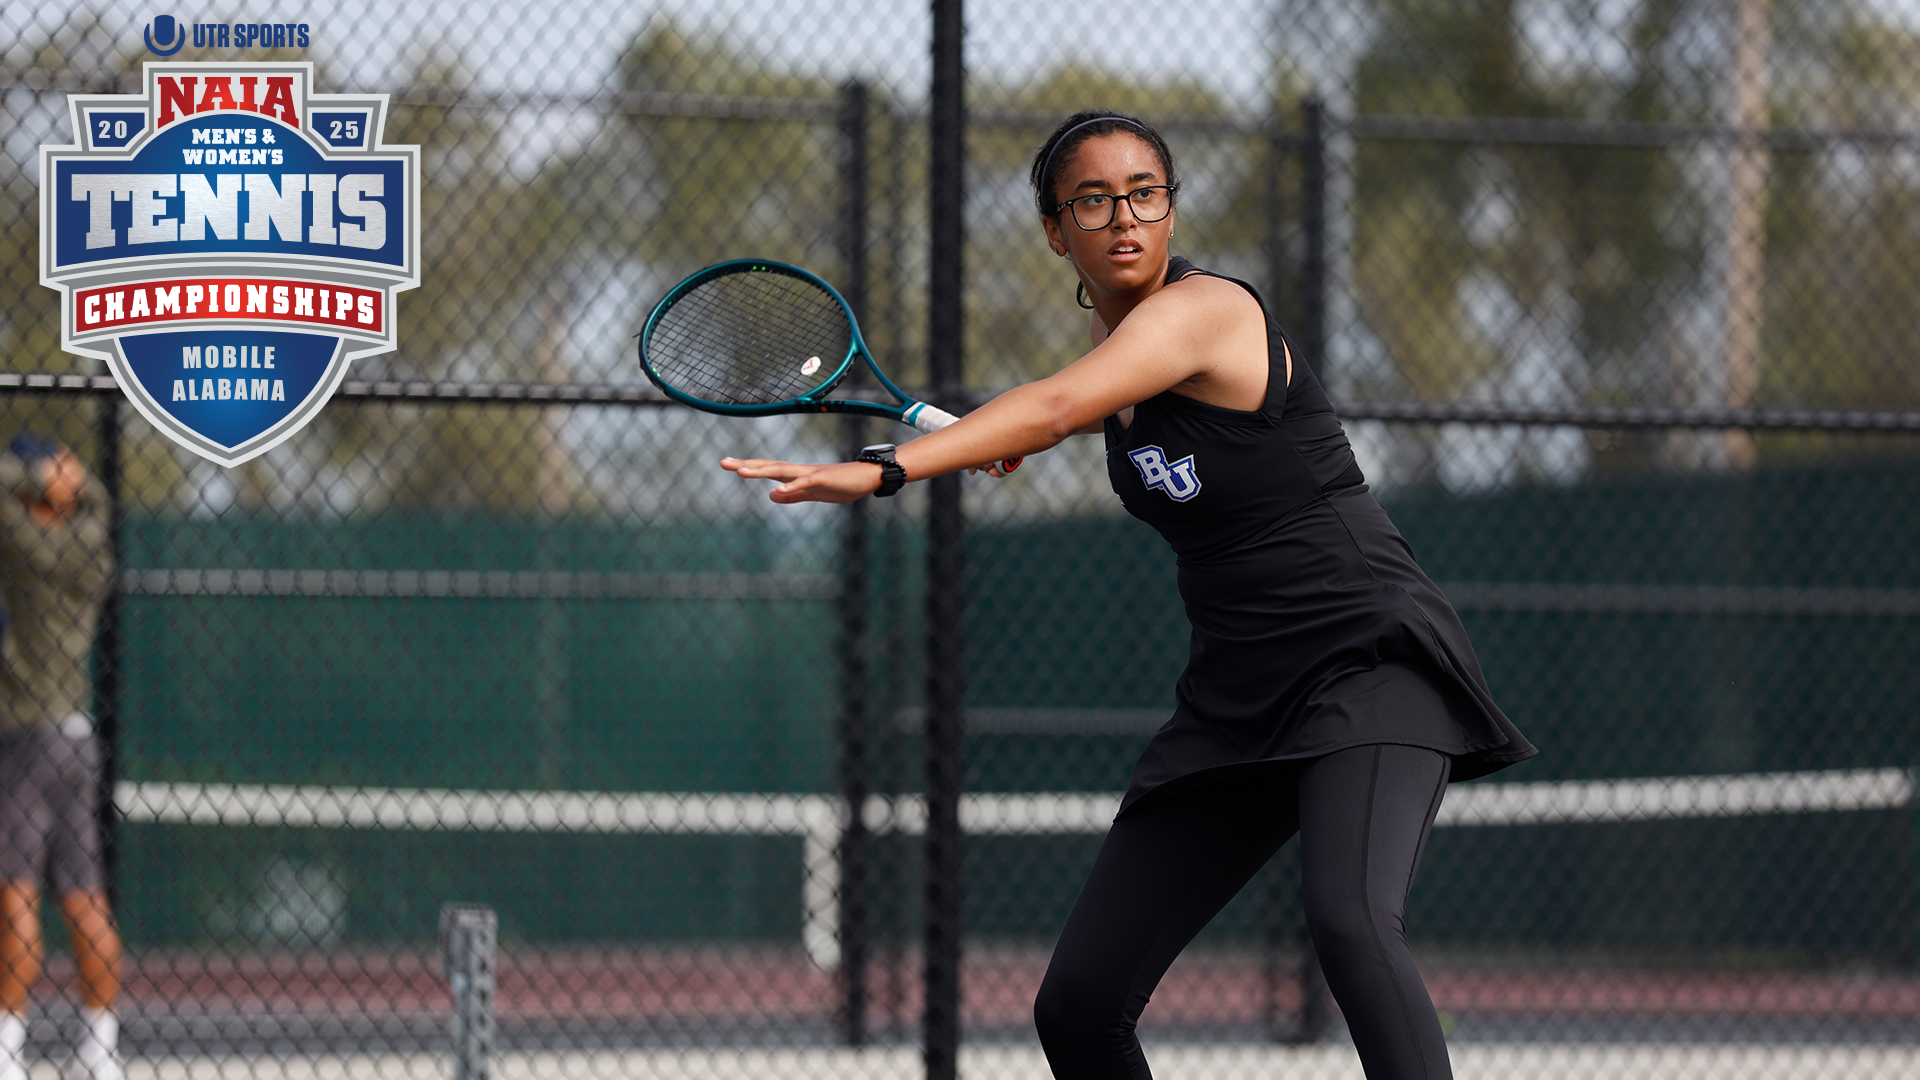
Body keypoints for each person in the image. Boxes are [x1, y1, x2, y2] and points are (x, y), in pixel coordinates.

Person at [722, 110, 1535, 1080]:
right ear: (1056, 231)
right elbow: (1067, 408)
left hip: (1366, 660)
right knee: (1080, 1006)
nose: (1125, 217)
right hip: (1237, 702)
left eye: (1146, 193)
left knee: (1353, 923)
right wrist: (1005, 434)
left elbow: (1059, 404)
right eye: (1093, 201)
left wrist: (890, 469)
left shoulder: (1211, 310)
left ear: (1171, 209)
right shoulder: (1123, 376)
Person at [0, 436, 121, 1080]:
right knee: (85, 895)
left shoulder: (29, 549)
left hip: (25, 737)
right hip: (78, 739)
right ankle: (100, 1052)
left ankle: (5, 1051)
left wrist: (32, 473)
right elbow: (99, 511)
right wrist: (80, 485)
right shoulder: (89, 553)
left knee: (15, 893)